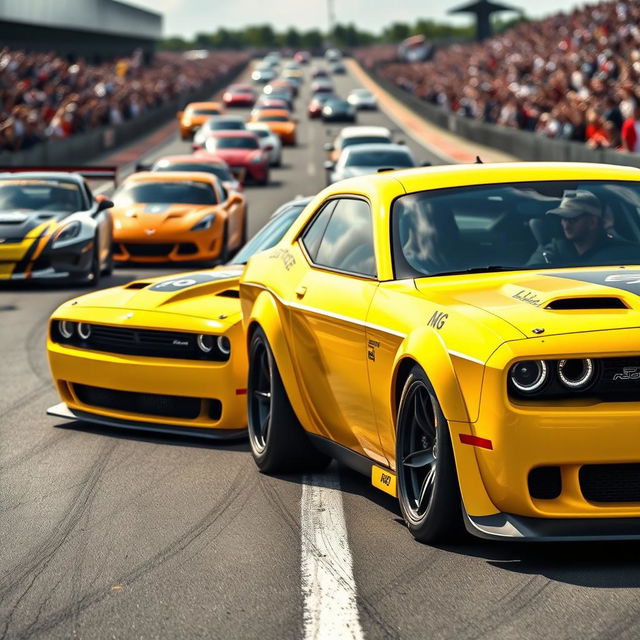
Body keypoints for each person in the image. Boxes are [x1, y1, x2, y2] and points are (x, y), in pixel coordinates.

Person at [528, 190, 634, 265]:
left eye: (572, 219)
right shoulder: (553, 250)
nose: (566, 225)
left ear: (592, 222)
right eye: (564, 219)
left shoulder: (620, 253)